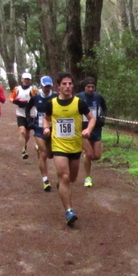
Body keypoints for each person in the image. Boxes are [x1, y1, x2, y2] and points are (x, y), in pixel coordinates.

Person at [42, 72, 94, 226]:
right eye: (64, 84)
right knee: (64, 176)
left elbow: (92, 119)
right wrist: (46, 128)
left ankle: (62, 186)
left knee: (71, 178)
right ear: (58, 86)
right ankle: (69, 211)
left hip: (75, 146)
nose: (68, 86)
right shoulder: (52, 104)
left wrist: (88, 130)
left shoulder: (79, 103)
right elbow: (46, 118)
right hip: (59, 145)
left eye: (70, 84)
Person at [77, 77, 108, 188]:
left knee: (97, 156)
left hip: (96, 128)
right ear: (84, 87)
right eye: (88, 87)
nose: (90, 89)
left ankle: (86, 157)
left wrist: (102, 119)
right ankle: (87, 177)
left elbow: (105, 108)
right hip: (83, 128)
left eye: (92, 87)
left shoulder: (98, 97)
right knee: (89, 154)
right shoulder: (79, 97)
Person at [32, 76, 57, 192]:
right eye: (45, 86)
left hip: (53, 128)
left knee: (52, 153)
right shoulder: (36, 97)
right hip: (39, 128)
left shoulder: (55, 97)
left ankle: (60, 178)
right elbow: (28, 109)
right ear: (41, 85)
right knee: (44, 153)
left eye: (49, 86)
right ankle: (45, 180)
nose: (47, 88)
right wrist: (29, 122)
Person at [10, 72, 37, 159]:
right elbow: (11, 98)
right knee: (22, 131)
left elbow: (36, 99)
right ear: (22, 80)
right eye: (25, 79)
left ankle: (24, 144)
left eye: (28, 79)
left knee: (27, 133)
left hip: (31, 114)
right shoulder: (17, 89)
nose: (27, 81)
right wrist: (16, 102)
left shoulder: (33, 89)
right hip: (20, 113)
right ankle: (23, 151)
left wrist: (28, 103)